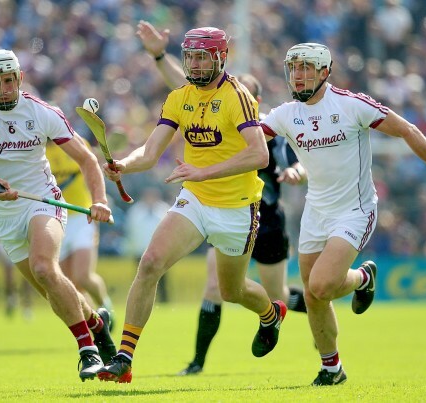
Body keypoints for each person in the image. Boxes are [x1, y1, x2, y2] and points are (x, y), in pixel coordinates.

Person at [260, 43, 426, 386]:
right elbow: (248, 140)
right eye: (294, 69)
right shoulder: (284, 114)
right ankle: (331, 369)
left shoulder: (351, 105)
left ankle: (363, 279)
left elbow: (407, 131)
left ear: (325, 72)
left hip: (354, 210)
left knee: (321, 285)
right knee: (313, 295)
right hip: (315, 210)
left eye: (307, 69)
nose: (298, 76)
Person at [98, 27, 287, 383]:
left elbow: (259, 153)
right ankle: (124, 357)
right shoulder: (179, 97)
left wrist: (204, 171)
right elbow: (150, 152)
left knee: (233, 291)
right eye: (191, 57)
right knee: (151, 262)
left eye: (202, 56)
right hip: (196, 201)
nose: (195, 64)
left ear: (220, 57)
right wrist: (125, 163)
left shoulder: (238, 96)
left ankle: (270, 314)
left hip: (237, 208)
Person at [135, 20, 308, 377]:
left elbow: (294, 162)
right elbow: (182, 88)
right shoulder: (206, 101)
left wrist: (295, 173)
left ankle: (317, 298)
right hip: (212, 206)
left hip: (262, 216)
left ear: (254, 99)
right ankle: (197, 362)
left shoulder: (267, 129)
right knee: (216, 287)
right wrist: (158, 56)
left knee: (277, 292)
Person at [0, 49, 117, 381]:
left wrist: (100, 200)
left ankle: (87, 352)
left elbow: (86, 159)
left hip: (43, 200)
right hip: (3, 213)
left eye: (8, 81)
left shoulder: (42, 112)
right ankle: (98, 325)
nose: (2, 89)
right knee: (54, 291)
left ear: (19, 79)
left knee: (45, 268)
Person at [46, 139, 116, 326]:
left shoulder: (73, 142)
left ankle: (105, 304)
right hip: (56, 219)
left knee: (83, 276)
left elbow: (91, 165)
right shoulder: (37, 150)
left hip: (82, 217)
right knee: (71, 284)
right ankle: (98, 322)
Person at [124, 186, 171, 302]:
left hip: (161, 251)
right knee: (141, 279)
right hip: (140, 251)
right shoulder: (135, 211)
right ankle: (140, 301)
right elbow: (130, 230)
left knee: (162, 280)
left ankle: (163, 302)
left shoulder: (165, 209)